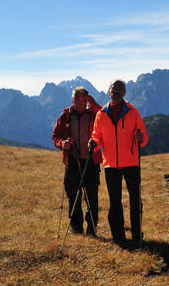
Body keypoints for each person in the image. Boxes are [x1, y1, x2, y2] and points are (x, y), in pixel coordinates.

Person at [89, 79, 149, 244]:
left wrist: (141, 138)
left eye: (119, 89)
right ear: (109, 91)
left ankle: (137, 237)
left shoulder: (133, 112)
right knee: (114, 202)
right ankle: (118, 237)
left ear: (124, 93)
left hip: (131, 162)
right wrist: (93, 144)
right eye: (114, 89)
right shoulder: (101, 114)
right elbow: (97, 136)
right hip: (111, 164)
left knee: (135, 200)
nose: (116, 91)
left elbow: (143, 137)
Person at [50, 87, 103, 236]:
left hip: (91, 161)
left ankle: (92, 227)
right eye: (76, 99)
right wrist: (63, 144)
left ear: (87, 99)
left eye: (83, 99)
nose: (80, 102)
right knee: (73, 194)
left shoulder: (94, 112)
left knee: (91, 195)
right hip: (72, 160)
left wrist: (94, 104)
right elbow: (55, 136)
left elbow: (104, 117)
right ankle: (76, 227)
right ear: (72, 99)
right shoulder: (65, 116)